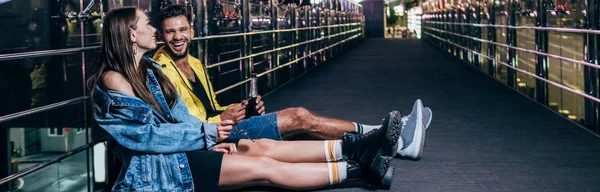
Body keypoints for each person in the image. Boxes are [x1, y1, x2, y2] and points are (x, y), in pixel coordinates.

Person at [89, 7, 405, 191]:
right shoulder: (115, 79)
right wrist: (208, 134)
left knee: (264, 148)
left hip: (182, 151)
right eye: (149, 25)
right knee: (265, 158)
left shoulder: (150, 68)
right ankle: (360, 163)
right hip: (158, 172)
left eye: (180, 29)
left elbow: (182, 116)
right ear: (131, 35)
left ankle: (359, 149)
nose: (156, 31)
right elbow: (145, 137)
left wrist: (209, 137)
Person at [153, 4, 431, 159]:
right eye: (170, 32)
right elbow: (178, 121)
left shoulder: (197, 64)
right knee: (299, 117)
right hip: (210, 137)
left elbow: (211, 107)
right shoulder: (159, 68)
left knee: (301, 125)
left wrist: (240, 109)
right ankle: (391, 134)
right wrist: (222, 120)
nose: (178, 37)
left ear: (192, 30)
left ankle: (394, 141)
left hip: (223, 126)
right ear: (161, 36)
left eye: (182, 30)